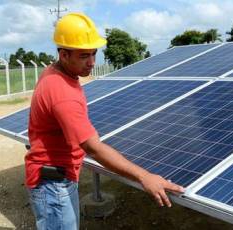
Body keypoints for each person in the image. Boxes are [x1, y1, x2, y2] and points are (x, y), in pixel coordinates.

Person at [24, 12, 185, 230]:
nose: (91, 62)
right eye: (83, 56)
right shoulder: (62, 93)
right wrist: (145, 177)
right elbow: (93, 148)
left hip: (54, 177)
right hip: (53, 185)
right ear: (63, 55)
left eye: (94, 54)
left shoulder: (55, 73)